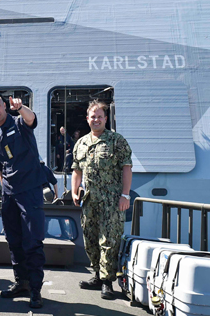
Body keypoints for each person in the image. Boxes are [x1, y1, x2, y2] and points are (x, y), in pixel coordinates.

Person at [0, 95, 46, 309]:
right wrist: (5, 190)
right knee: (14, 240)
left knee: (32, 240)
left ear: (4, 106)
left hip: (29, 190)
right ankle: (21, 282)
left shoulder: (19, 122)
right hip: (9, 193)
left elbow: (31, 119)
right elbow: (1, 167)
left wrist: (21, 108)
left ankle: (36, 290)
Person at [71, 100, 132, 300]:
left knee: (109, 240)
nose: (96, 120)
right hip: (90, 200)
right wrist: (74, 191)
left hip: (111, 200)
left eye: (100, 116)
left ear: (106, 119)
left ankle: (108, 282)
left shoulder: (116, 140)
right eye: (93, 116)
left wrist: (125, 194)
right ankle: (97, 275)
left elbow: (126, 168)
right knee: (90, 239)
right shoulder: (81, 143)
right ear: (87, 119)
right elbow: (76, 170)